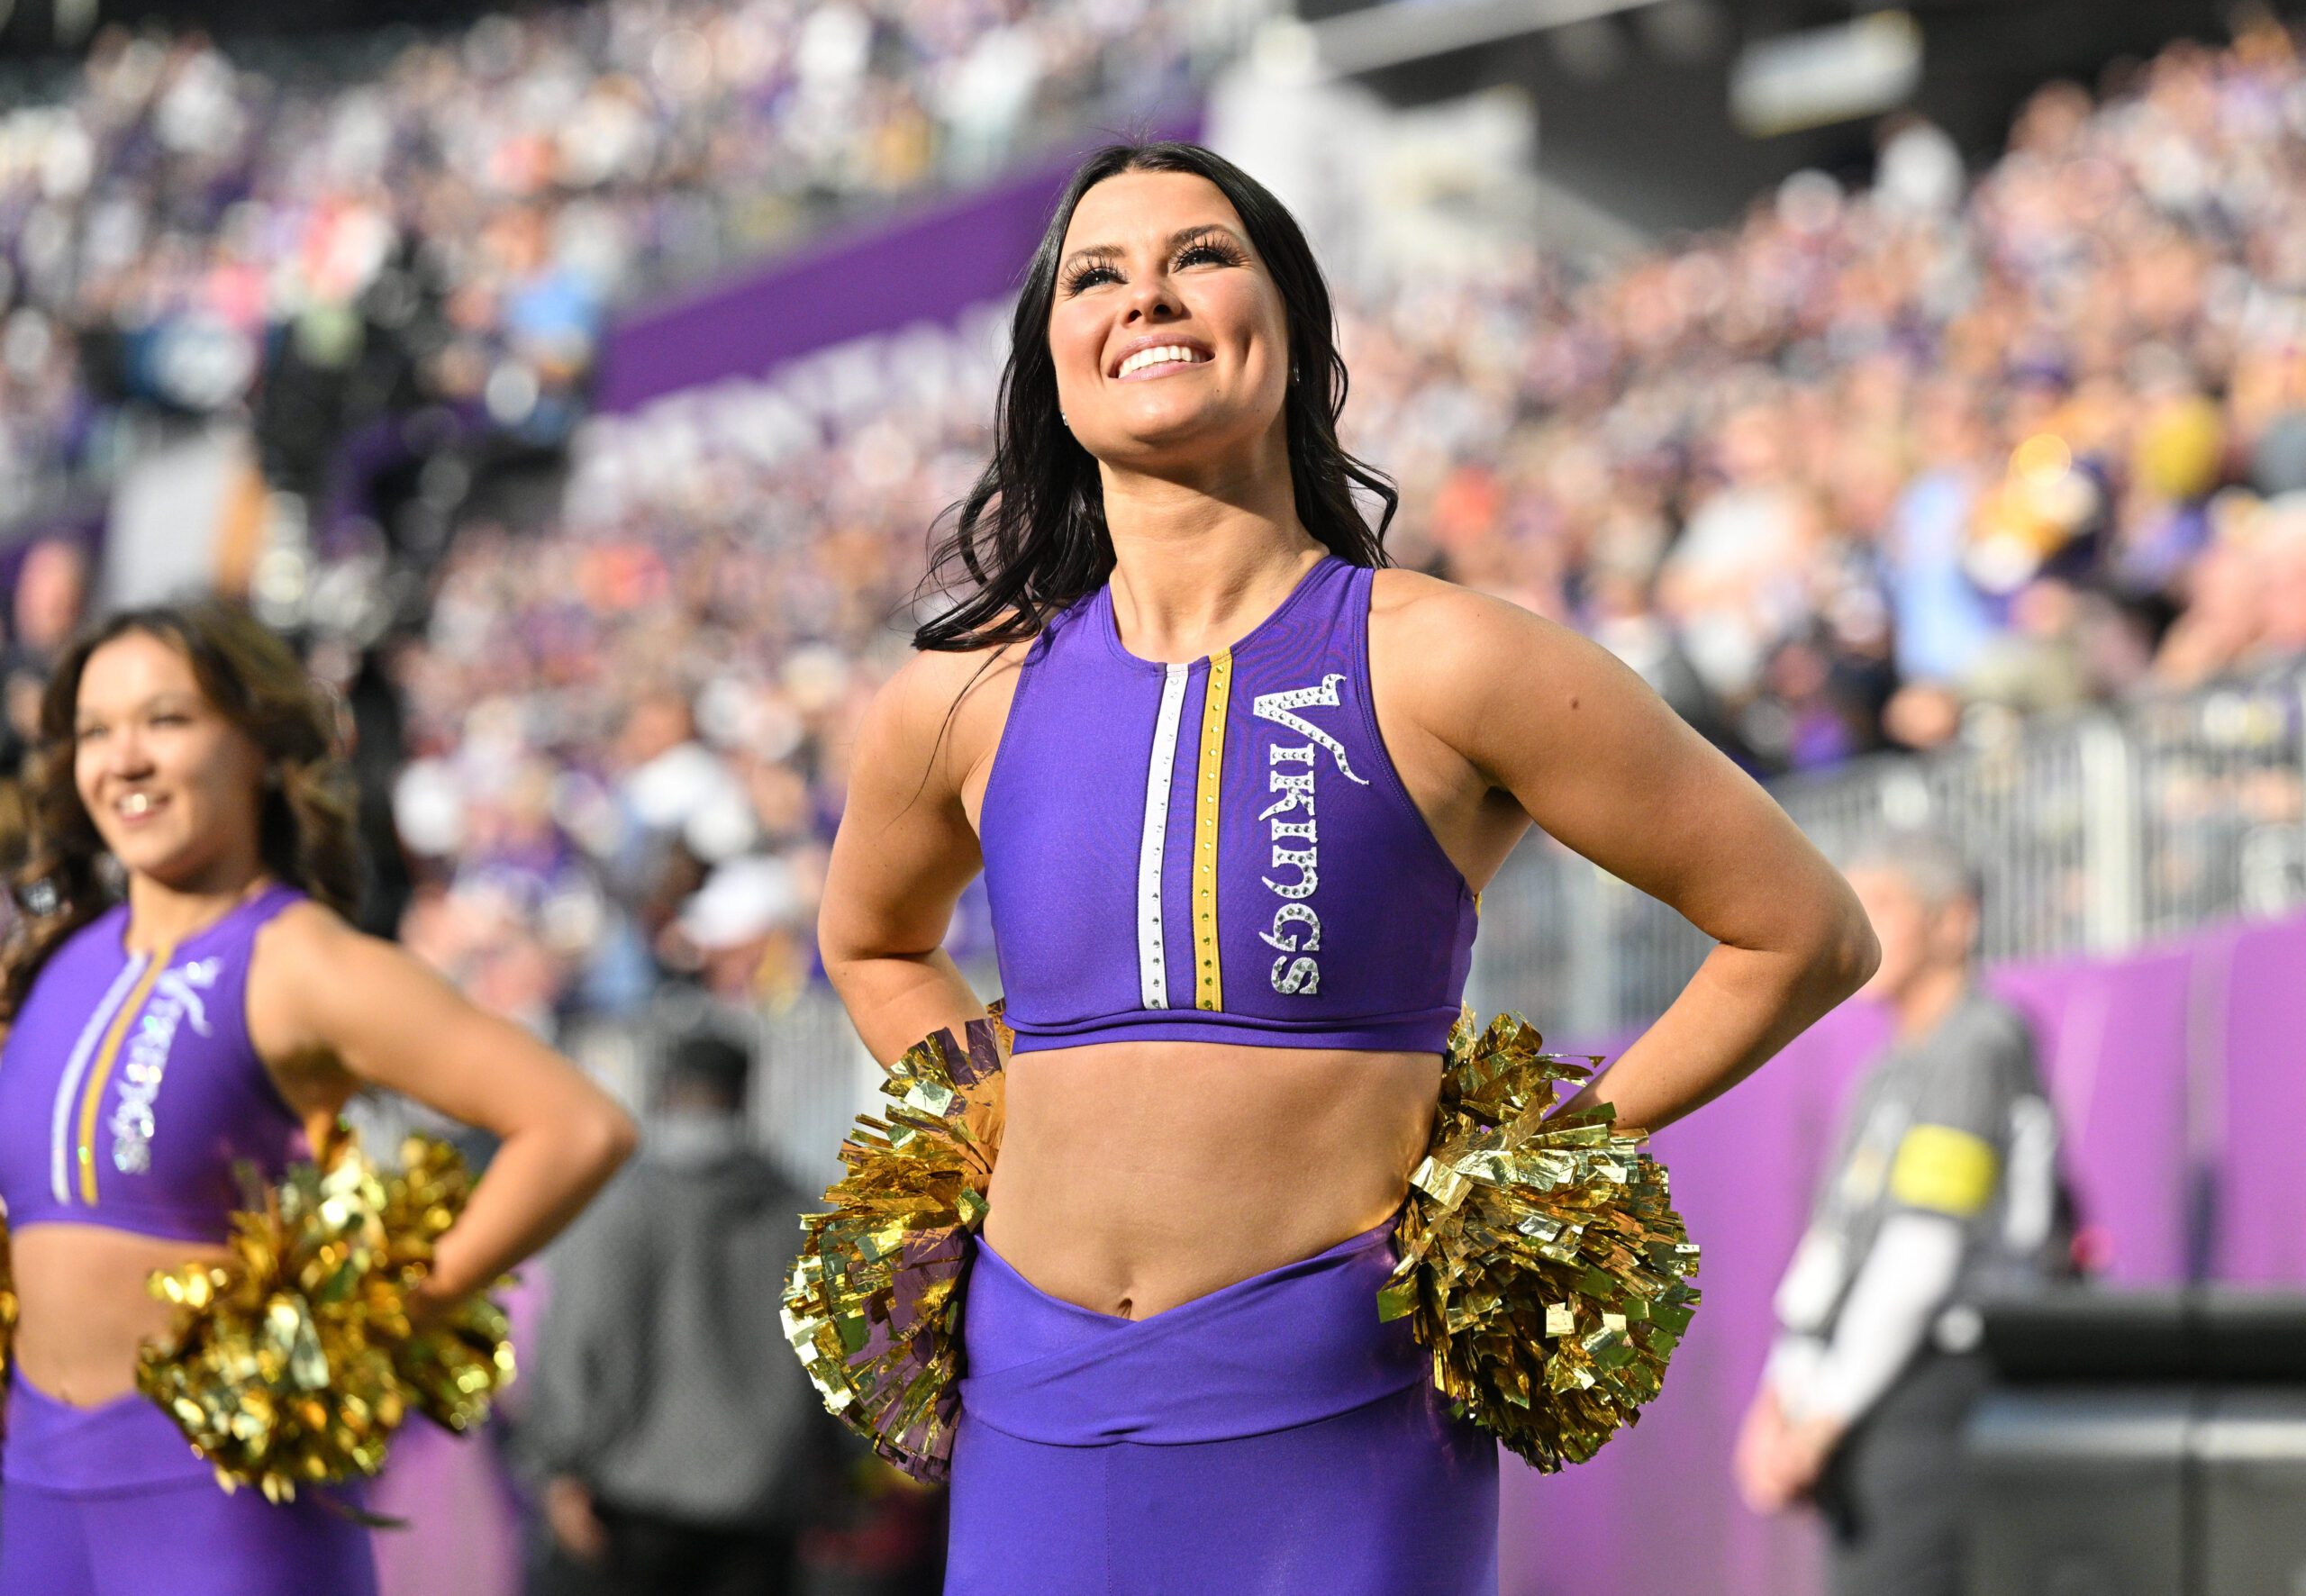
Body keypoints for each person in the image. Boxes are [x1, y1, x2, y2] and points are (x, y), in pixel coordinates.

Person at [815, 140, 1881, 1595]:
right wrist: (997, 1117)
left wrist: (1516, 1173)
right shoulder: (959, 700)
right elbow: (873, 942)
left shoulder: (1451, 655)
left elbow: (1801, 932)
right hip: (1034, 1414)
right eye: (1098, 275)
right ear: (1050, 364)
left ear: (1295, 329)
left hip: (1342, 1407)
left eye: (1202, 255)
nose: (1149, 296)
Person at [0, 598, 637, 1596]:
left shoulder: (298, 957)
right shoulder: (56, 961)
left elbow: (577, 1124)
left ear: (255, 743)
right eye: (94, 729)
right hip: (31, 1491)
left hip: (220, 1499)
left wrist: (393, 1312)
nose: (123, 758)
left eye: (166, 720)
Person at [1734, 831, 2073, 1596]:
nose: (1857, 923)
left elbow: (1924, 1255)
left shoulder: (1977, 1043)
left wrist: (1820, 1419)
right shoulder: (1882, 1071)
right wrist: (1779, 1397)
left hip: (1936, 1387)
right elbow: (1835, 1244)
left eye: (1881, 903)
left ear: (1954, 922)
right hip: (1863, 1399)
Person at [522, 1025, 834, 1596]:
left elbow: (578, 1337)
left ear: (667, 1091)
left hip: (635, 1495)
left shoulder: (623, 1206)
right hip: (762, 1496)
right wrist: (832, 1477)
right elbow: (835, 1354)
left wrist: (559, 1464)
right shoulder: (795, 1210)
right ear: (744, 1096)